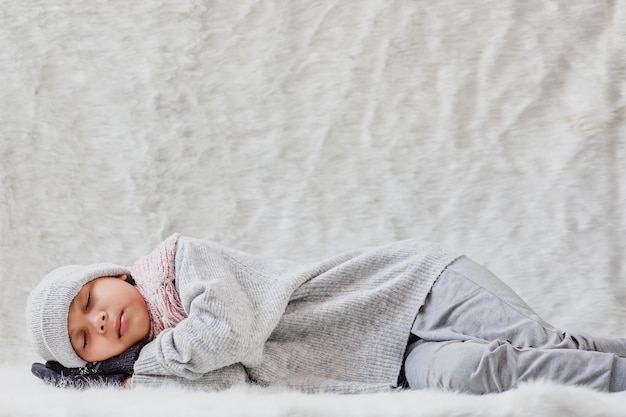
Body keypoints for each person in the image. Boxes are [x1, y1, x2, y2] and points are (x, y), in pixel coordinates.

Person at [26, 233, 626, 394]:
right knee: (482, 371)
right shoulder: (170, 368)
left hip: (407, 285)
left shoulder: (179, 263)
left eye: (89, 301)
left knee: (545, 341)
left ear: (113, 276)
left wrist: (135, 363)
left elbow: (230, 334)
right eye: (85, 341)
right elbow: (231, 381)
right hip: (381, 364)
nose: (99, 322)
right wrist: (124, 379)